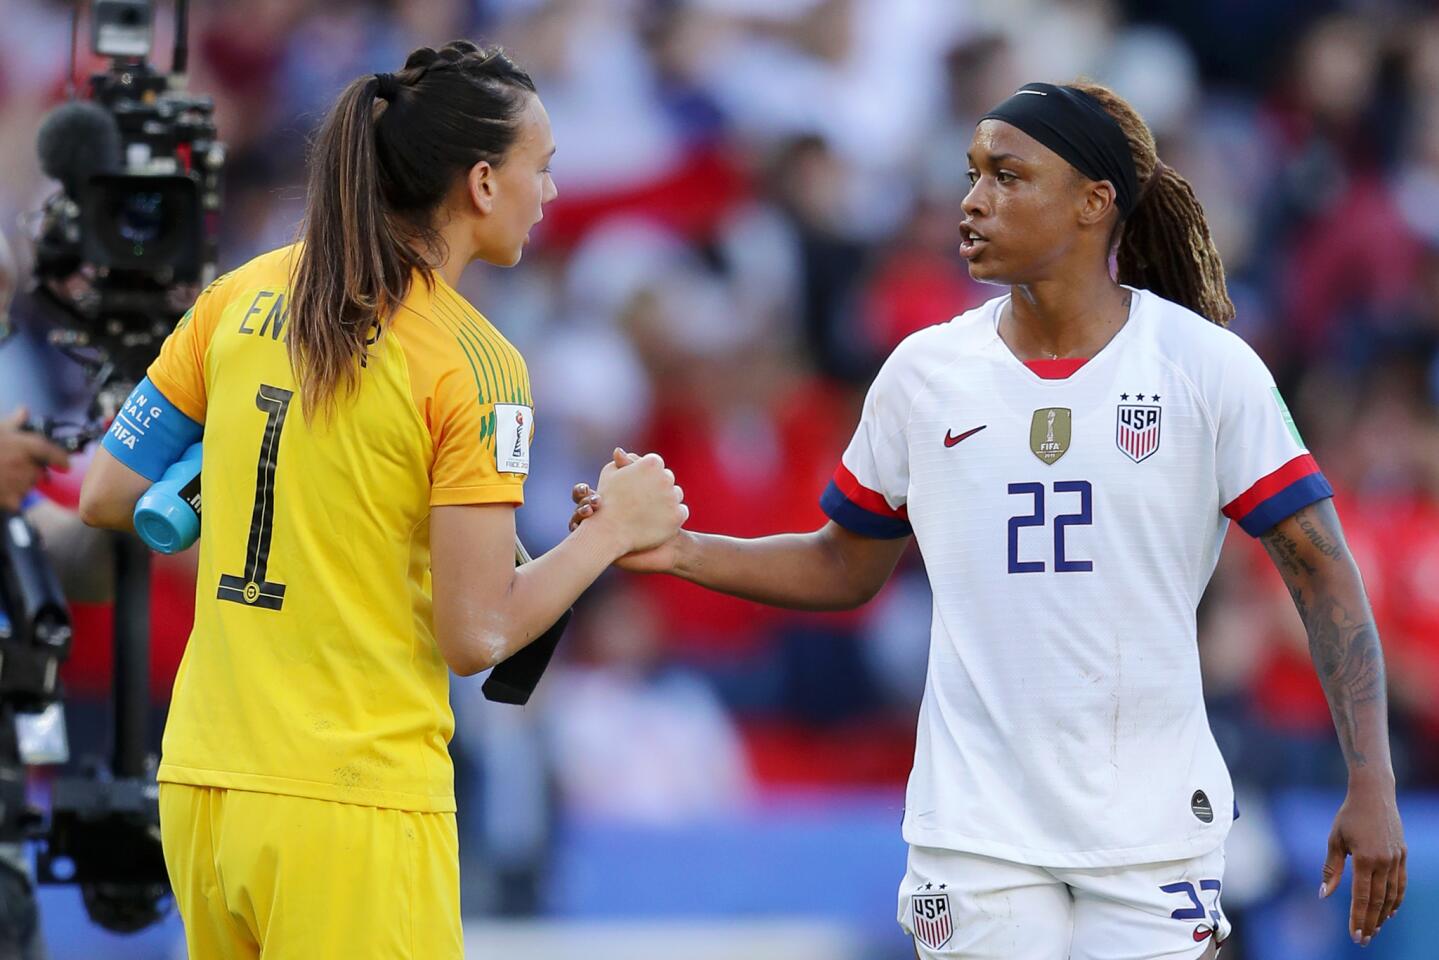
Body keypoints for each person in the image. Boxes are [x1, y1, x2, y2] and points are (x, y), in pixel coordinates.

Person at [570, 81, 1405, 959]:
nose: (972, 200)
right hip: (973, 829)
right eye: (971, 174)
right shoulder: (924, 372)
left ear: (1093, 203)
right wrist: (678, 549)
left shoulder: (1205, 368)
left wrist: (1371, 779)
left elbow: (1321, 569)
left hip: (1153, 821)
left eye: (1007, 176)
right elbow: (841, 565)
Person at [78, 40, 686, 960]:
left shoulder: (240, 295)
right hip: (355, 798)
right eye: (543, 169)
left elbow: (107, 492)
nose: (551, 193)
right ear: (482, 183)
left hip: (204, 783)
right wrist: (611, 534)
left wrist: (244, 492)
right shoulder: (476, 362)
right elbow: (476, 635)